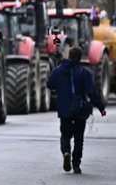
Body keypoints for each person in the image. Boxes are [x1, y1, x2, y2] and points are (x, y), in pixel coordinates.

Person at [46, 46, 107, 174]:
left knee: (65, 135)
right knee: (79, 138)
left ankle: (66, 152)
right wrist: (101, 108)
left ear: (69, 55)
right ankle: (76, 164)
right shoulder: (84, 72)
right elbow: (91, 93)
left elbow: (49, 84)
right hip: (80, 111)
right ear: (80, 58)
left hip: (64, 110)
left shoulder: (58, 70)